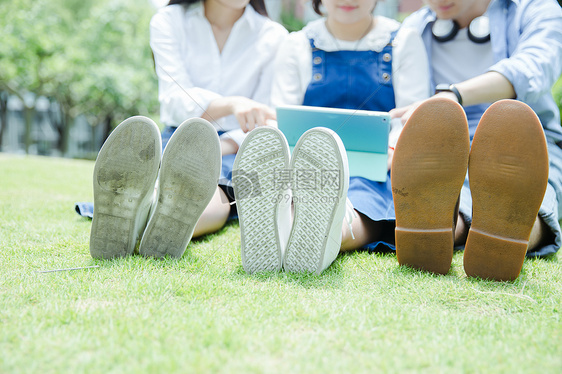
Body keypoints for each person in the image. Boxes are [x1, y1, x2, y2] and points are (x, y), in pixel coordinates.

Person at [232, 0, 431, 274]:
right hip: (308, 164)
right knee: (308, 185)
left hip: (378, 168)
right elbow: (283, 118)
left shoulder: (403, 41)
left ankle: (301, 232)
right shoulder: (297, 44)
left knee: (362, 202)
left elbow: (412, 115)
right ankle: (285, 225)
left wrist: (394, 151)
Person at [89, 0, 287, 259]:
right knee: (179, 185)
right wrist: (232, 104)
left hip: (239, 147)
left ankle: (141, 219)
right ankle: (143, 213)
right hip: (178, 137)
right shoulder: (169, 20)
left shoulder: (274, 37)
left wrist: (219, 145)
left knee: (216, 194)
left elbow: (266, 118)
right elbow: (174, 100)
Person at [389, 0, 562, 280]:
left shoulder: (536, 9)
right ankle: (435, 232)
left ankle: (509, 231)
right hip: (443, 146)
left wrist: (452, 94)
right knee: (457, 200)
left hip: (525, 139)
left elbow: (532, 68)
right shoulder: (414, 28)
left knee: (532, 194)